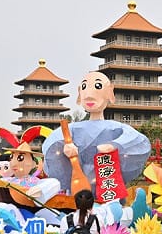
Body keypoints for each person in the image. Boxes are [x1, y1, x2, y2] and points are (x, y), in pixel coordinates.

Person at [43, 71, 150, 202]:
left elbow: (140, 142)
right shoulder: (73, 128)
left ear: (110, 93)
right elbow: (50, 143)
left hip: (108, 182)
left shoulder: (116, 127)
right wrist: (64, 146)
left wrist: (115, 146)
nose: (89, 95)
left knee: (110, 216)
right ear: (79, 94)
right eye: (84, 87)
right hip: (79, 184)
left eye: (98, 86)